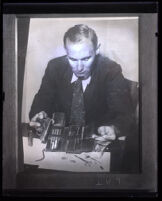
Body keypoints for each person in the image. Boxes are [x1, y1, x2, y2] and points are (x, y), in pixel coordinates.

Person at [29, 24, 137, 170]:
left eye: (86, 58)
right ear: (66, 52)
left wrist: (114, 129)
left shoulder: (111, 70)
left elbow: (125, 115)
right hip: (58, 148)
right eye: (72, 59)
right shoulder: (55, 67)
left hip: (96, 149)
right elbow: (41, 102)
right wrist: (39, 117)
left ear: (97, 49)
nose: (79, 68)